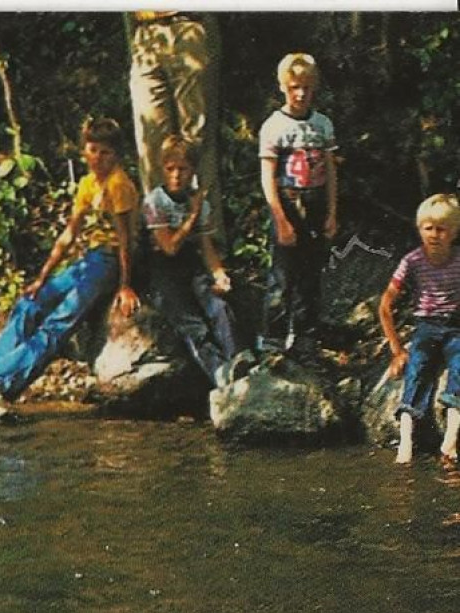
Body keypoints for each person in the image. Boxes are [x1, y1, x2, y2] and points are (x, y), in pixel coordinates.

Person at [0, 117, 141, 401]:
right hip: (87, 260)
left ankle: (1, 378)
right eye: (93, 150)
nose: (98, 158)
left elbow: (126, 239)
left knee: (59, 320)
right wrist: (42, 278)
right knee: (30, 303)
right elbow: (69, 234)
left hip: (108, 261)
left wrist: (126, 284)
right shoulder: (88, 184)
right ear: (84, 151)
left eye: (106, 152)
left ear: (116, 155)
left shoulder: (118, 185)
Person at [142, 136, 246, 388]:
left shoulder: (200, 203)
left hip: (190, 263)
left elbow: (206, 246)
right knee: (191, 321)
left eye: (183, 169)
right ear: (162, 169)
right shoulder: (155, 202)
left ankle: (238, 359)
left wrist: (219, 274)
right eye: (170, 169)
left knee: (218, 305)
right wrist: (192, 216)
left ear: (193, 171)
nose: (177, 175)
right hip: (161, 267)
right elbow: (169, 246)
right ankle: (219, 371)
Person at [258, 52, 338, 357]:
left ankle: (306, 339)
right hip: (288, 204)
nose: (301, 93)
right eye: (294, 87)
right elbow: (267, 178)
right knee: (282, 278)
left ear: (314, 86)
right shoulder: (274, 126)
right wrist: (280, 220)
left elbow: (331, 171)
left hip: (316, 204)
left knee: (310, 276)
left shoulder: (322, 124)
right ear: (282, 87)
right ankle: (272, 341)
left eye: (306, 86)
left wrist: (332, 213)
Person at [127, 12, 224, 245]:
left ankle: (209, 249)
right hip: (145, 35)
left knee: (196, 144)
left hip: (188, 25)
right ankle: (160, 244)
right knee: (151, 149)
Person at [378, 194, 460, 466]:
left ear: (453, 232)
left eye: (441, 229)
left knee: (459, 371)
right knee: (416, 372)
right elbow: (385, 305)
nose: (434, 235)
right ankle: (405, 444)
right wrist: (397, 350)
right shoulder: (412, 261)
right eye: (428, 228)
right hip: (426, 326)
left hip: (454, 327)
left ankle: (449, 441)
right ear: (419, 229)